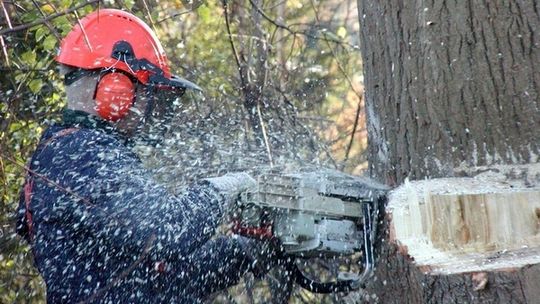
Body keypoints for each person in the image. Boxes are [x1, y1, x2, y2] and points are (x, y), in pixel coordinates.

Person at [16, 8, 279, 303]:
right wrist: (224, 189)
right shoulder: (81, 155)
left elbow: (163, 282)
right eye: (145, 93)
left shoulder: (69, 153)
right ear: (116, 91)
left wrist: (244, 250)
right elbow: (169, 230)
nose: (150, 109)